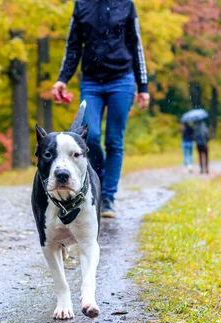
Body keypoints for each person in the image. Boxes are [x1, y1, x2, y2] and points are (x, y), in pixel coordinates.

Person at [51, 0, 150, 218]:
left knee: (114, 140)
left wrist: (143, 86)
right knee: (90, 136)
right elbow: (73, 45)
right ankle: (98, 181)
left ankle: (107, 198)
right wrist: (62, 79)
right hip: (92, 82)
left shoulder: (126, 4)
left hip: (122, 80)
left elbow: (136, 45)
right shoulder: (81, 5)